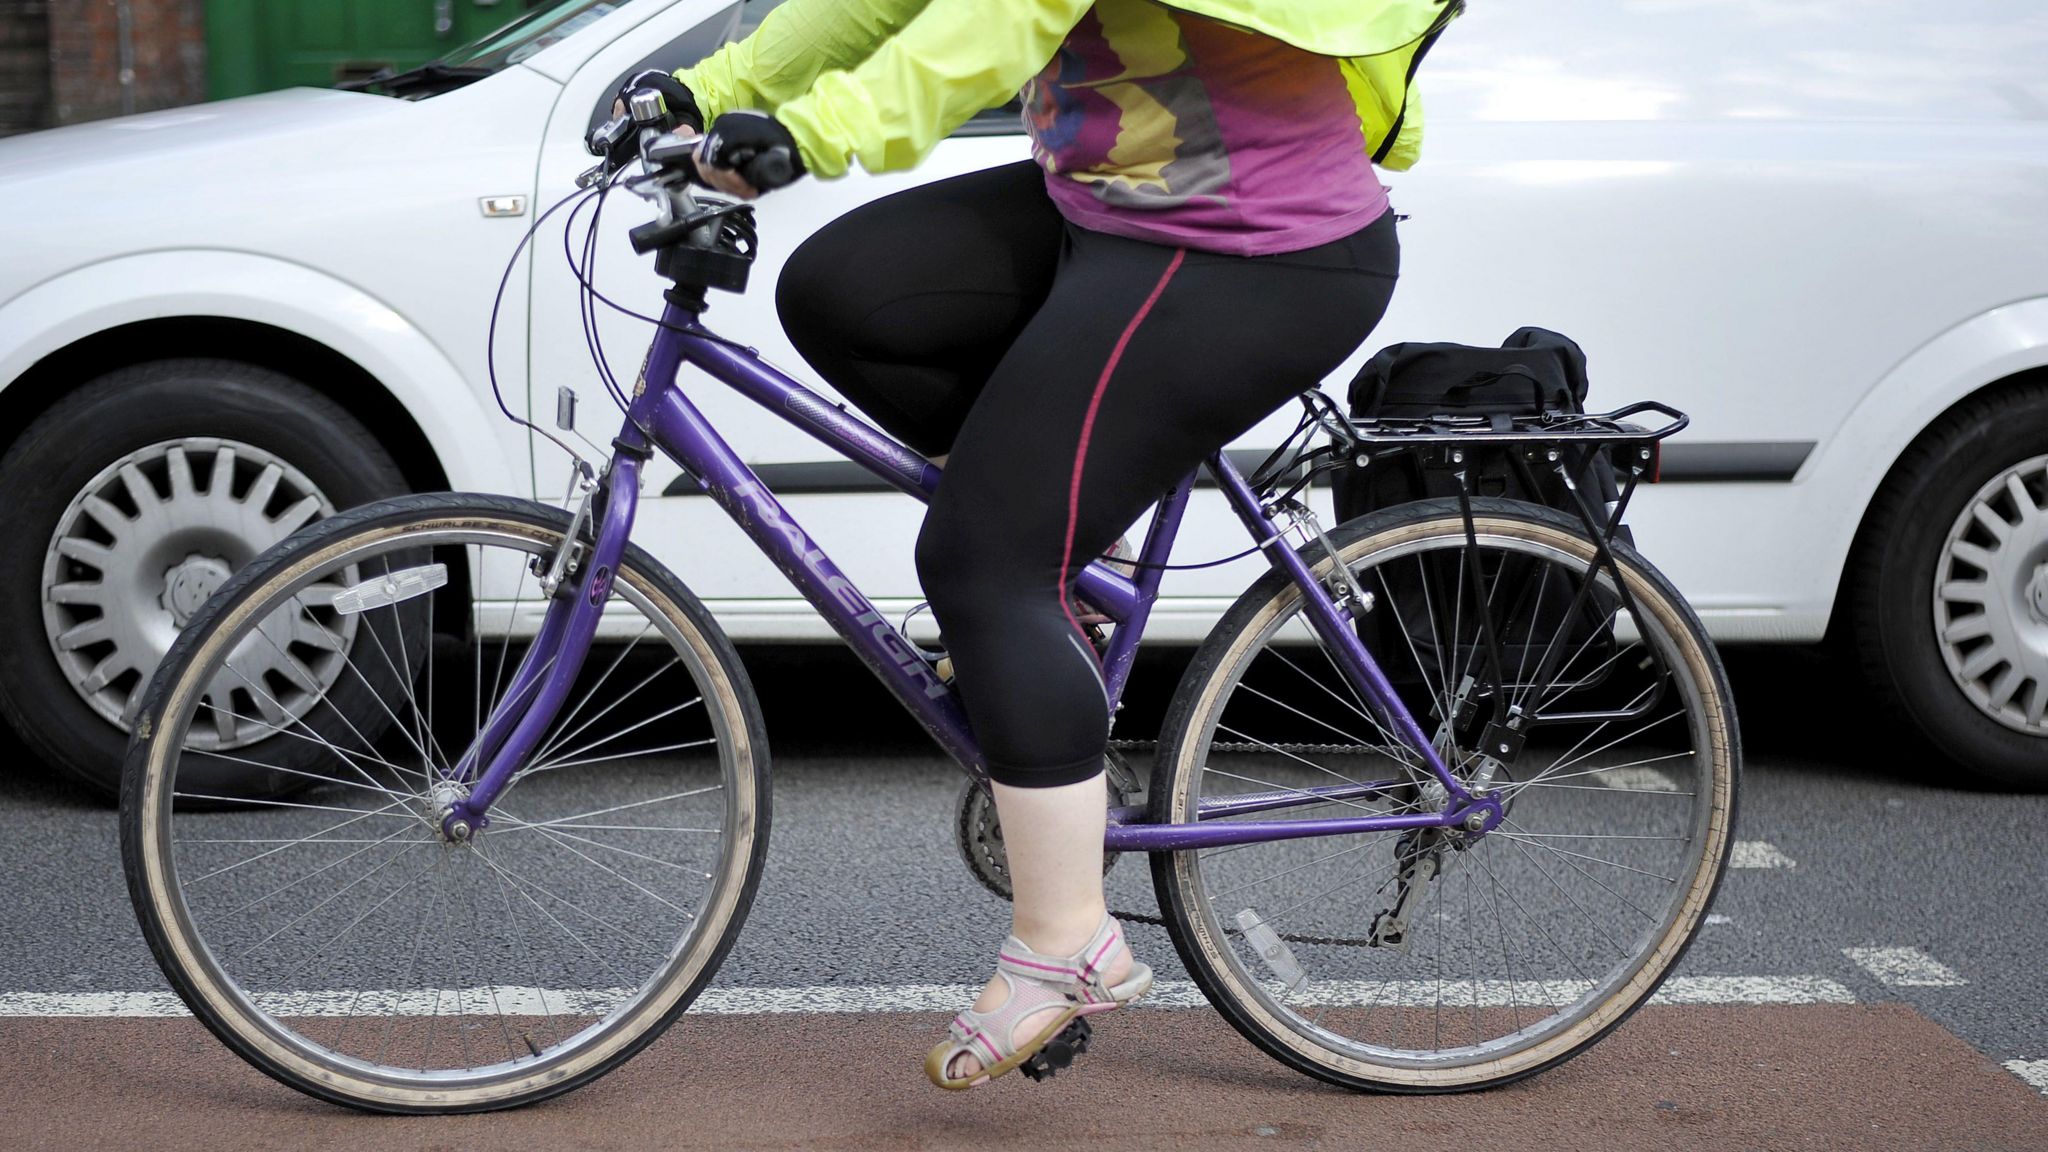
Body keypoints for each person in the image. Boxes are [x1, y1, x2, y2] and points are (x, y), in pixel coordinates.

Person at [630, 0, 1457, 1090]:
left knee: (980, 565)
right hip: (1116, 209)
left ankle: (1068, 942)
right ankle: (1062, 548)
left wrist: (809, 133)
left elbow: (1002, 15)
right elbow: (877, 5)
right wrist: (711, 84)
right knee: (842, 292)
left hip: (1249, 245)